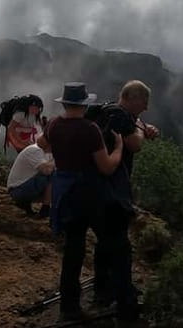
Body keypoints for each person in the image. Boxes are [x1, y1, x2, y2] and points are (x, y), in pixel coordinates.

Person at [38, 82, 123, 322]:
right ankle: (106, 291)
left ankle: (69, 307)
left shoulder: (55, 124)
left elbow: (41, 144)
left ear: (65, 103)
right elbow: (106, 167)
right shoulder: (90, 130)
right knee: (107, 239)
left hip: (64, 193)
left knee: (73, 250)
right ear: (84, 105)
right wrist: (118, 147)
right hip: (88, 193)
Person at [92, 80, 159, 319]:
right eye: (144, 102)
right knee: (121, 247)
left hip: (96, 190)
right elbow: (135, 143)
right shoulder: (119, 116)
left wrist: (142, 125)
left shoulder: (108, 111)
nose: (146, 107)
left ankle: (102, 291)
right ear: (131, 98)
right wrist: (141, 130)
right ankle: (125, 302)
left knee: (104, 243)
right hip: (112, 193)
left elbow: (135, 132)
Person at [6, 140, 54, 218]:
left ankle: (42, 208)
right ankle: (45, 209)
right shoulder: (35, 150)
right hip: (18, 190)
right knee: (52, 175)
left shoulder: (49, 153)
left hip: (25, 186)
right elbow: (47, 170)